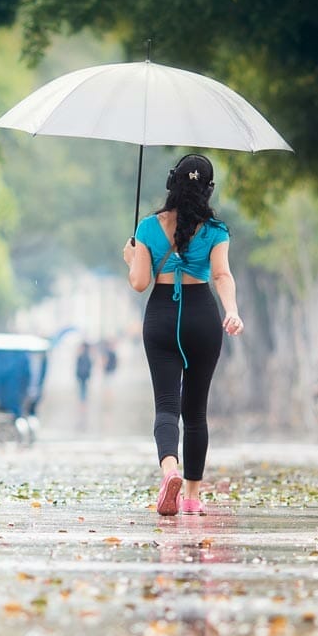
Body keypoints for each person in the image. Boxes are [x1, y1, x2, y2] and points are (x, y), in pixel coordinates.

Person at [122, 154, 243, 517]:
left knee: (166, 406)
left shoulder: (146, 228)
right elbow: (221, 275)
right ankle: (191, 496)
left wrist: (131, 258)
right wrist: (232, 311)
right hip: (201, 317)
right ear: (208, 190)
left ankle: (169, 471)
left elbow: (140, 283)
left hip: (160, 316)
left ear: (171, 183)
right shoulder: (216, 231)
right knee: (196, 412)